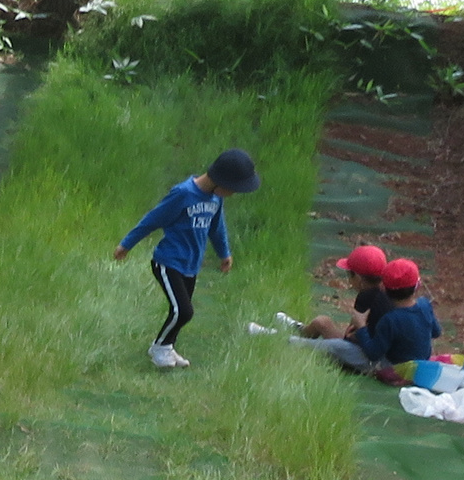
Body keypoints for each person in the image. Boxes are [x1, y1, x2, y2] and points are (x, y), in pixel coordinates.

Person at [109, 146, 260, 371]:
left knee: (179, 311)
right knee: (184, 311)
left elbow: (217, 227)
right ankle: (159, 347)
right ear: (221, 181)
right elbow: (153, 219)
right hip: (168, 262)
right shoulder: (183, 194)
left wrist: (224, 252)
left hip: (191, 264)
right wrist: (126, 244)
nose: (234, 193)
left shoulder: (215, 199)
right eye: (234, 188)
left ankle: (168, 347)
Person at [273, 258, 439, 382]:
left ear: (383, 287)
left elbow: (373, 354)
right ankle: (297, 330)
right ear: (417, 286)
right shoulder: (425, 305)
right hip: (419, 364)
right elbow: (436, 332)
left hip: (392, 368)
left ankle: (285, 340)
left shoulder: (392, 319)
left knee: (336, 347)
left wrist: (361, 328)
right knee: (334, 335)